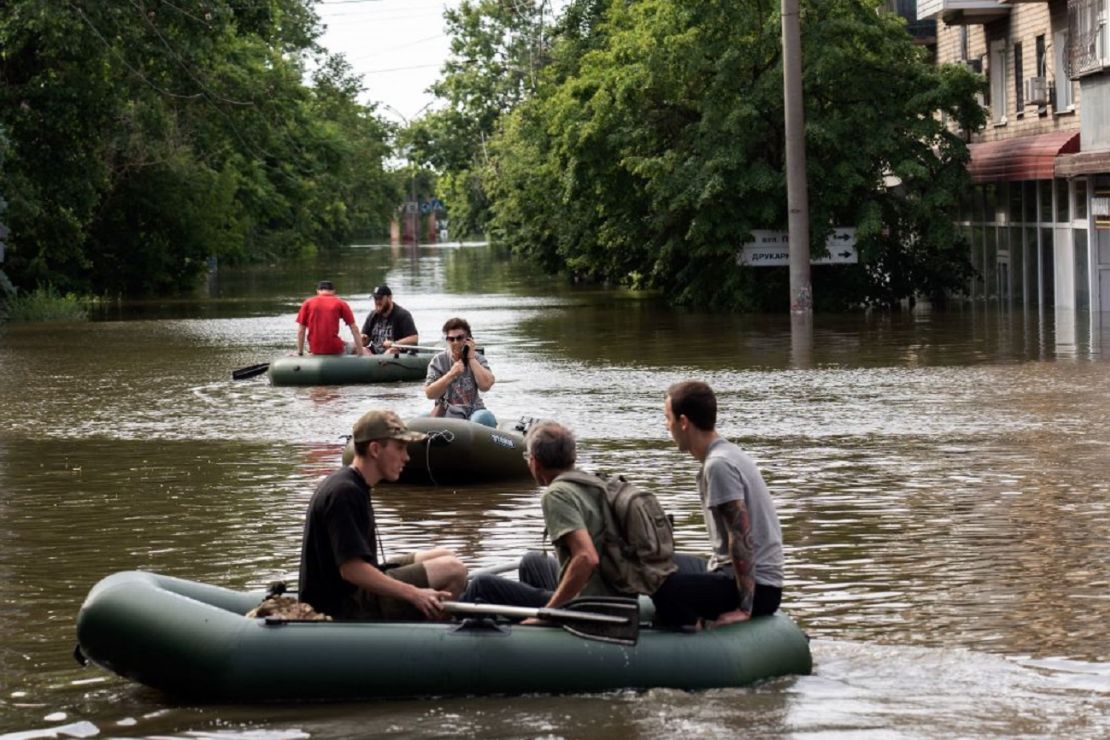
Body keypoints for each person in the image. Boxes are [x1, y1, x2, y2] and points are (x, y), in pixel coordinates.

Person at [298, 409, 468, 620]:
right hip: (344, 604)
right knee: (454, 571)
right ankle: (435, 639)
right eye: (400, 448)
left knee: (445, 555)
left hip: (354, 589)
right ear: (375, 449)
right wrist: (414, 593)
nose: (406, 457)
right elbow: (351, 570)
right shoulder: (345, 492)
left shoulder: (352, 483)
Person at [651, 380, 785, 630]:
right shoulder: (726, 454)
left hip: (759, 589)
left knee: (660, 586)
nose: (666, 426)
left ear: (683, 422)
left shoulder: (719, 464)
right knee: (653, 564)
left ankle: (697, 629)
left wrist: (745, 608)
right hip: (737, 576)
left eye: (667, 418)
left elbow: (740, 534)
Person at [460, 421, 623, 614]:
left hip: (589, 603)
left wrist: (548, 613)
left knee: (482, 585)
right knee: (533, 561)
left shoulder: (556, 494)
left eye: (527, 457)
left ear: (535, 463)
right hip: (611, 589)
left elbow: (587, 557)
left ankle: (446, 626)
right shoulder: (590, 481)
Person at [424, 317, 496, 427]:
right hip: (446, 414)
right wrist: (451, 374)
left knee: (484, 417)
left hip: (473, 412)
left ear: (468, 340)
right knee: (421, 419)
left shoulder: (478, 359)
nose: (455, 342)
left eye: (459, 338)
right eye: (451, 339)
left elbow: (485, 386)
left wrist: (471, 359)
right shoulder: (438, 360)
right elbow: (429, 393)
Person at [295, 280, 368, 357]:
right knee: (359, 347)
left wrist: (300, 353)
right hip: (335, 349)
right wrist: (360, 353)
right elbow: (354, 329)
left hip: (315, 349)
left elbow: (301, 331)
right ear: (333, 291)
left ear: (317, 291)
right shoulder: (341, 303)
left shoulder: (307, 303)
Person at [361, 284, 419, 354]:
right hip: (375, 353)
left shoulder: (402, 315)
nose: (377, 302)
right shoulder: (372, 316)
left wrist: (394, 343)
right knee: (361, 349)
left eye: (380, 298)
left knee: (391, 351)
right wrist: (363, 339)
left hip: (396, 352)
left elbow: (414, 338)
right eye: (375, 298)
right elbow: (365, 341)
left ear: (390, 298)